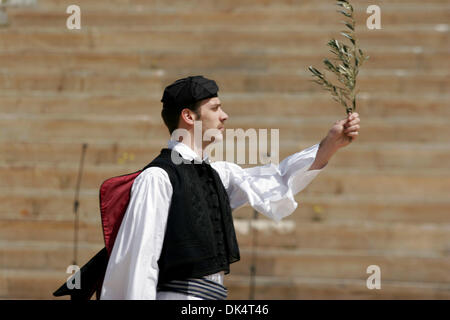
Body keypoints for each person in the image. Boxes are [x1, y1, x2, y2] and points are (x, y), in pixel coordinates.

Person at [99, 75, 361, 300]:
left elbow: (276, 182)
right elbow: (138, 262)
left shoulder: (218, 175)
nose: (224, 115)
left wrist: (329, 146)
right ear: (189, 116)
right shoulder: (157, 178)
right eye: (215, 108)